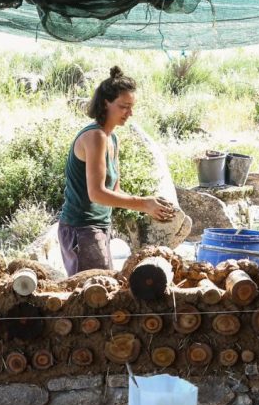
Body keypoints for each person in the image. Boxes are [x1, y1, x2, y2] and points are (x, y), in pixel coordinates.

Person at [57, 66, 176, 275]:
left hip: (98, 227)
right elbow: (96, 194)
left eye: (132, 107)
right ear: (105, 103)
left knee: (104, 291)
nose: (130, 113)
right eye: (124, 106)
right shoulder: (95, 137)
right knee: (96, 296)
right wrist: (143, 204)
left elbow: (115, 191)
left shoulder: (112, 138)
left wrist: (150, 202)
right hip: (81, 229)